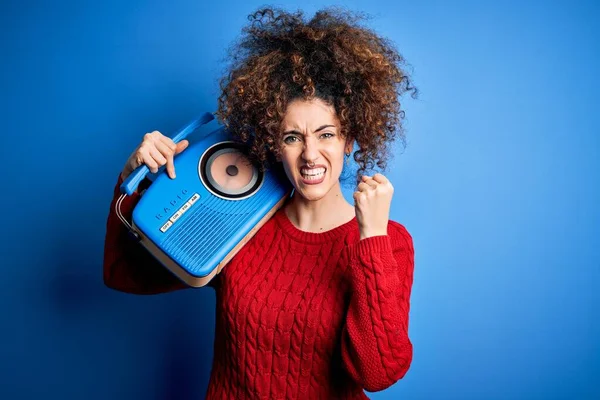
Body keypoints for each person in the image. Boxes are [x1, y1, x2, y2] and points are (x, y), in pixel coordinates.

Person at [103, 7, 417, 399]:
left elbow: (378, 371)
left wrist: (371, 238)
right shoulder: (239, 220)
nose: (310, 155)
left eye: (326, 135)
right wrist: (132, 180)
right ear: (274, 142)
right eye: (292, 137)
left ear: (349, 140)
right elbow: (122, 273)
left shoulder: (388, 242)